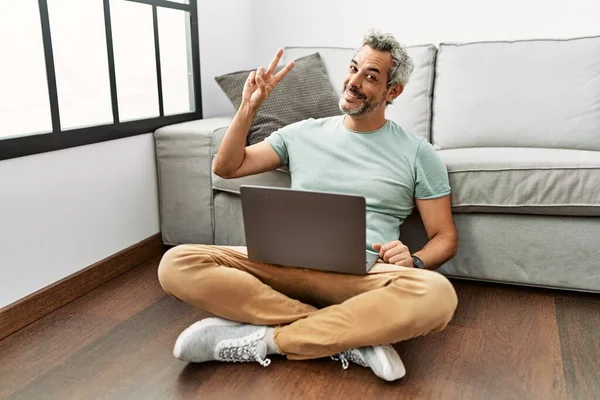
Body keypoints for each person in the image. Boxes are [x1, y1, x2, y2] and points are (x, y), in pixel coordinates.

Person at [158, 29, 458, 382]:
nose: (354, 81)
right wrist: (248, 108)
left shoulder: (417, 153)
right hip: (281, 264)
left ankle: (269, 340)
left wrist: (416, 260)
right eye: (353, 68)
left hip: (363, 273)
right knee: (176, 262)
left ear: (393, 92)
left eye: (371, 76)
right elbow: (227, 167)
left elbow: (444, 236)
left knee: (437, 295)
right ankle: (350, 335)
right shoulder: (302, 133)